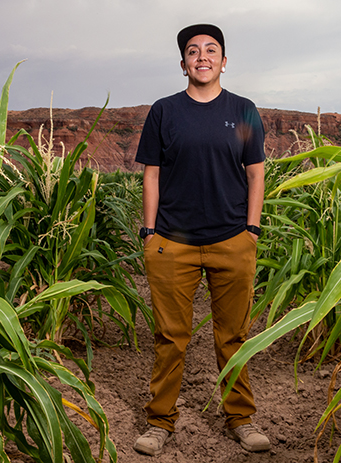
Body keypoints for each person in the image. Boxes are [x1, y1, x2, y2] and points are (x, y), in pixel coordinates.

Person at [132, 24, 270, 456]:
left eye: (211, 50)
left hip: (233, 240)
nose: (202, 57)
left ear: (224, 61)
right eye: (193, 52)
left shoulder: (244, 110)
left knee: (234, 336)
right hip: (172, 243)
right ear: (183, 64)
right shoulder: (164, 111)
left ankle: (241, 419)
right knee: (171, 338)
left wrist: (251, 231)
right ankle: (159, 422)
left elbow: (255, 172)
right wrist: (150, 233)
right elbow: (151, 174)